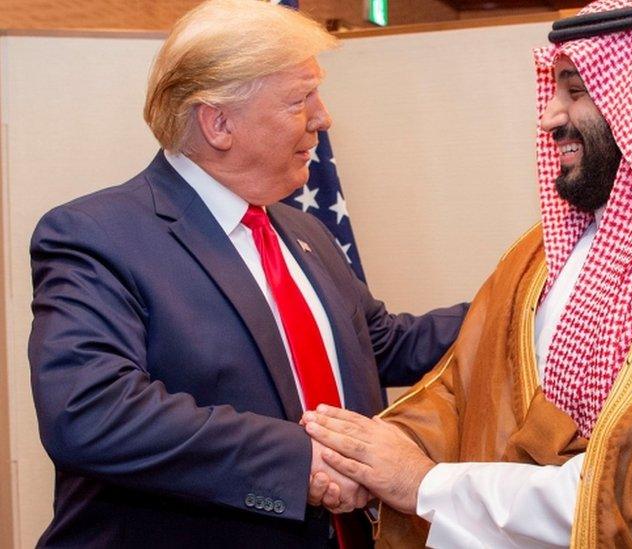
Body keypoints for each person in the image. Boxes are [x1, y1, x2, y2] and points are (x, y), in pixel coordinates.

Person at [302, 0, 632, 546]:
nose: (549, 116)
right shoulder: (539, 254)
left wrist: (428, 484)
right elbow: (464, 393)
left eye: (575, 92)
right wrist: (365, 459)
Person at [27, 0, 466, 547]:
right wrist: (298, 461)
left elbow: (383, 345)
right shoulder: (97, 235)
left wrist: (527, 299)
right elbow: (89, 412)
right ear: (219, 122)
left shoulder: (303, 232)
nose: (322, 117)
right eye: (299, 98)